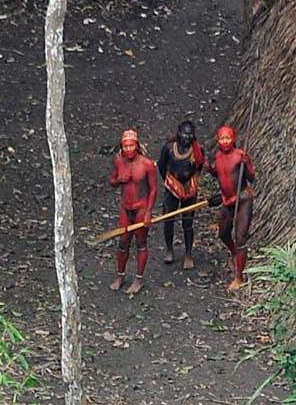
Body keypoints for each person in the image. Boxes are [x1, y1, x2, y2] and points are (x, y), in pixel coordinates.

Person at [109, 128, 160, 293]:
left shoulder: (147, 164)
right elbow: (111, 181)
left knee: (140, 243)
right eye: (125, 146)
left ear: (137, 146)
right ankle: (120, 275)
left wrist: (148, 212)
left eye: (131, 146)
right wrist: (119, 180)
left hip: (141, 207)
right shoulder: (119, 161)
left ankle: (138, 279)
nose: (128, 149)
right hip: (125, 207)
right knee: (123, 242)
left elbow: (153, 189)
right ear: (122, 147)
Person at [210, 122, 258, 288]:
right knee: (223, 233)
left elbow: (251, 178)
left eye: (228, 138)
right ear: (218, 140)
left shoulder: (239, 156)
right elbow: (219, 174)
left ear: (234, 138)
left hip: (243, 199)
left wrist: (248, 164)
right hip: (227, 200)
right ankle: (234, 252)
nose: (225, 141)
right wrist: (208, 169)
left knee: (240, 238)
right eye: (222, 138)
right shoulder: (217, 157)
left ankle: (239, 277)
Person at [158, 119, 207, 269]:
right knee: (168, 219)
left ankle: (188, 254)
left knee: (188, 222)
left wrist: (194, 180)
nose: (187, 137)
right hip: (172, 186)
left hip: (189, 188)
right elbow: (161, 165)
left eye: (190, 134)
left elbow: (199, 166)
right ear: (179, 133)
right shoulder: (169, 148)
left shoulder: (197, 150)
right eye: (185, 134)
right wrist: (170, 181)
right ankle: (169, 250)